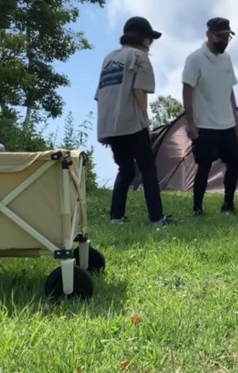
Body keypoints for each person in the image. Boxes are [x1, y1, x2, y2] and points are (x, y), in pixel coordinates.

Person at [95, 16, 179, 227]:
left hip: (110, 124)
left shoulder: (109, 59)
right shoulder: (139, 57)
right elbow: (140, 92)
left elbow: (101, 94)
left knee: (125, 169)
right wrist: (146, 121)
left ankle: (116, 217)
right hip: (132, 122)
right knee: (148, 169)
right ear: (143, 39)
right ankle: (157, 219)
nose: (150, 44)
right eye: (150, 39)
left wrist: (106, 127)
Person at [181, 17, 238, 216]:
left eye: (227, 37)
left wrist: (236, 113)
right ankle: (197, 208)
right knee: (204, 166)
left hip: (227, 124)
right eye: (221, 37)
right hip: (205, 124)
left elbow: (229, 89)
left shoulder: (227, 59)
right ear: (209, 35)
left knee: (234, 162)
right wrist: (190, 122)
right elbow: (187, 89)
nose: (224, 41)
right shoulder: (195, 58)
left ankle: (228, 205)